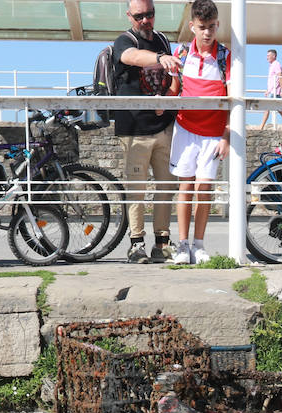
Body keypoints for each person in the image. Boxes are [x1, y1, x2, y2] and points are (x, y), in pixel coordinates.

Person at [112, 0, 182, 263]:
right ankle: (136, 244)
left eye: (149, 14)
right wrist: (160, 58)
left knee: (166, 186)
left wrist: (169, 99)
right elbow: (130, 56)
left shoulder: (162, 39)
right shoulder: (124, 40)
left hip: (164, 127)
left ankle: (162, 243)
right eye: (139, 15)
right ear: (129, 16)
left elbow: (174, 76)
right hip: (134, 129)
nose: (145, 20)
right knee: (137, 189)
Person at [168, 0, 231, 265]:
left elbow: (232, 98)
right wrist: (160, 103)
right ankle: (182, 246)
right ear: (192, 26)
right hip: (185, 129)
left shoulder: (226, 56)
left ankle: (199, 245)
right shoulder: (181, 54)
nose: (207, 33)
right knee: (185, 187)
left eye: (212, 27)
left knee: (204, 189)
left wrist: (226, 136)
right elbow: (174, 90)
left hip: (213, 134)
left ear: (217, 25)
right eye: (202, 27)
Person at [257, 49, 282, 130]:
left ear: (274, 56)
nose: (267, 57)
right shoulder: (272, 65)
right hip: (272, 91)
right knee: (279, 109)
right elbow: (273, 81)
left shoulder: (276, 64)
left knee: (268, 108)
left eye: (268, 56)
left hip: (276, 92)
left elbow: (280, 77)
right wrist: (268, 90)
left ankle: (261, 127)